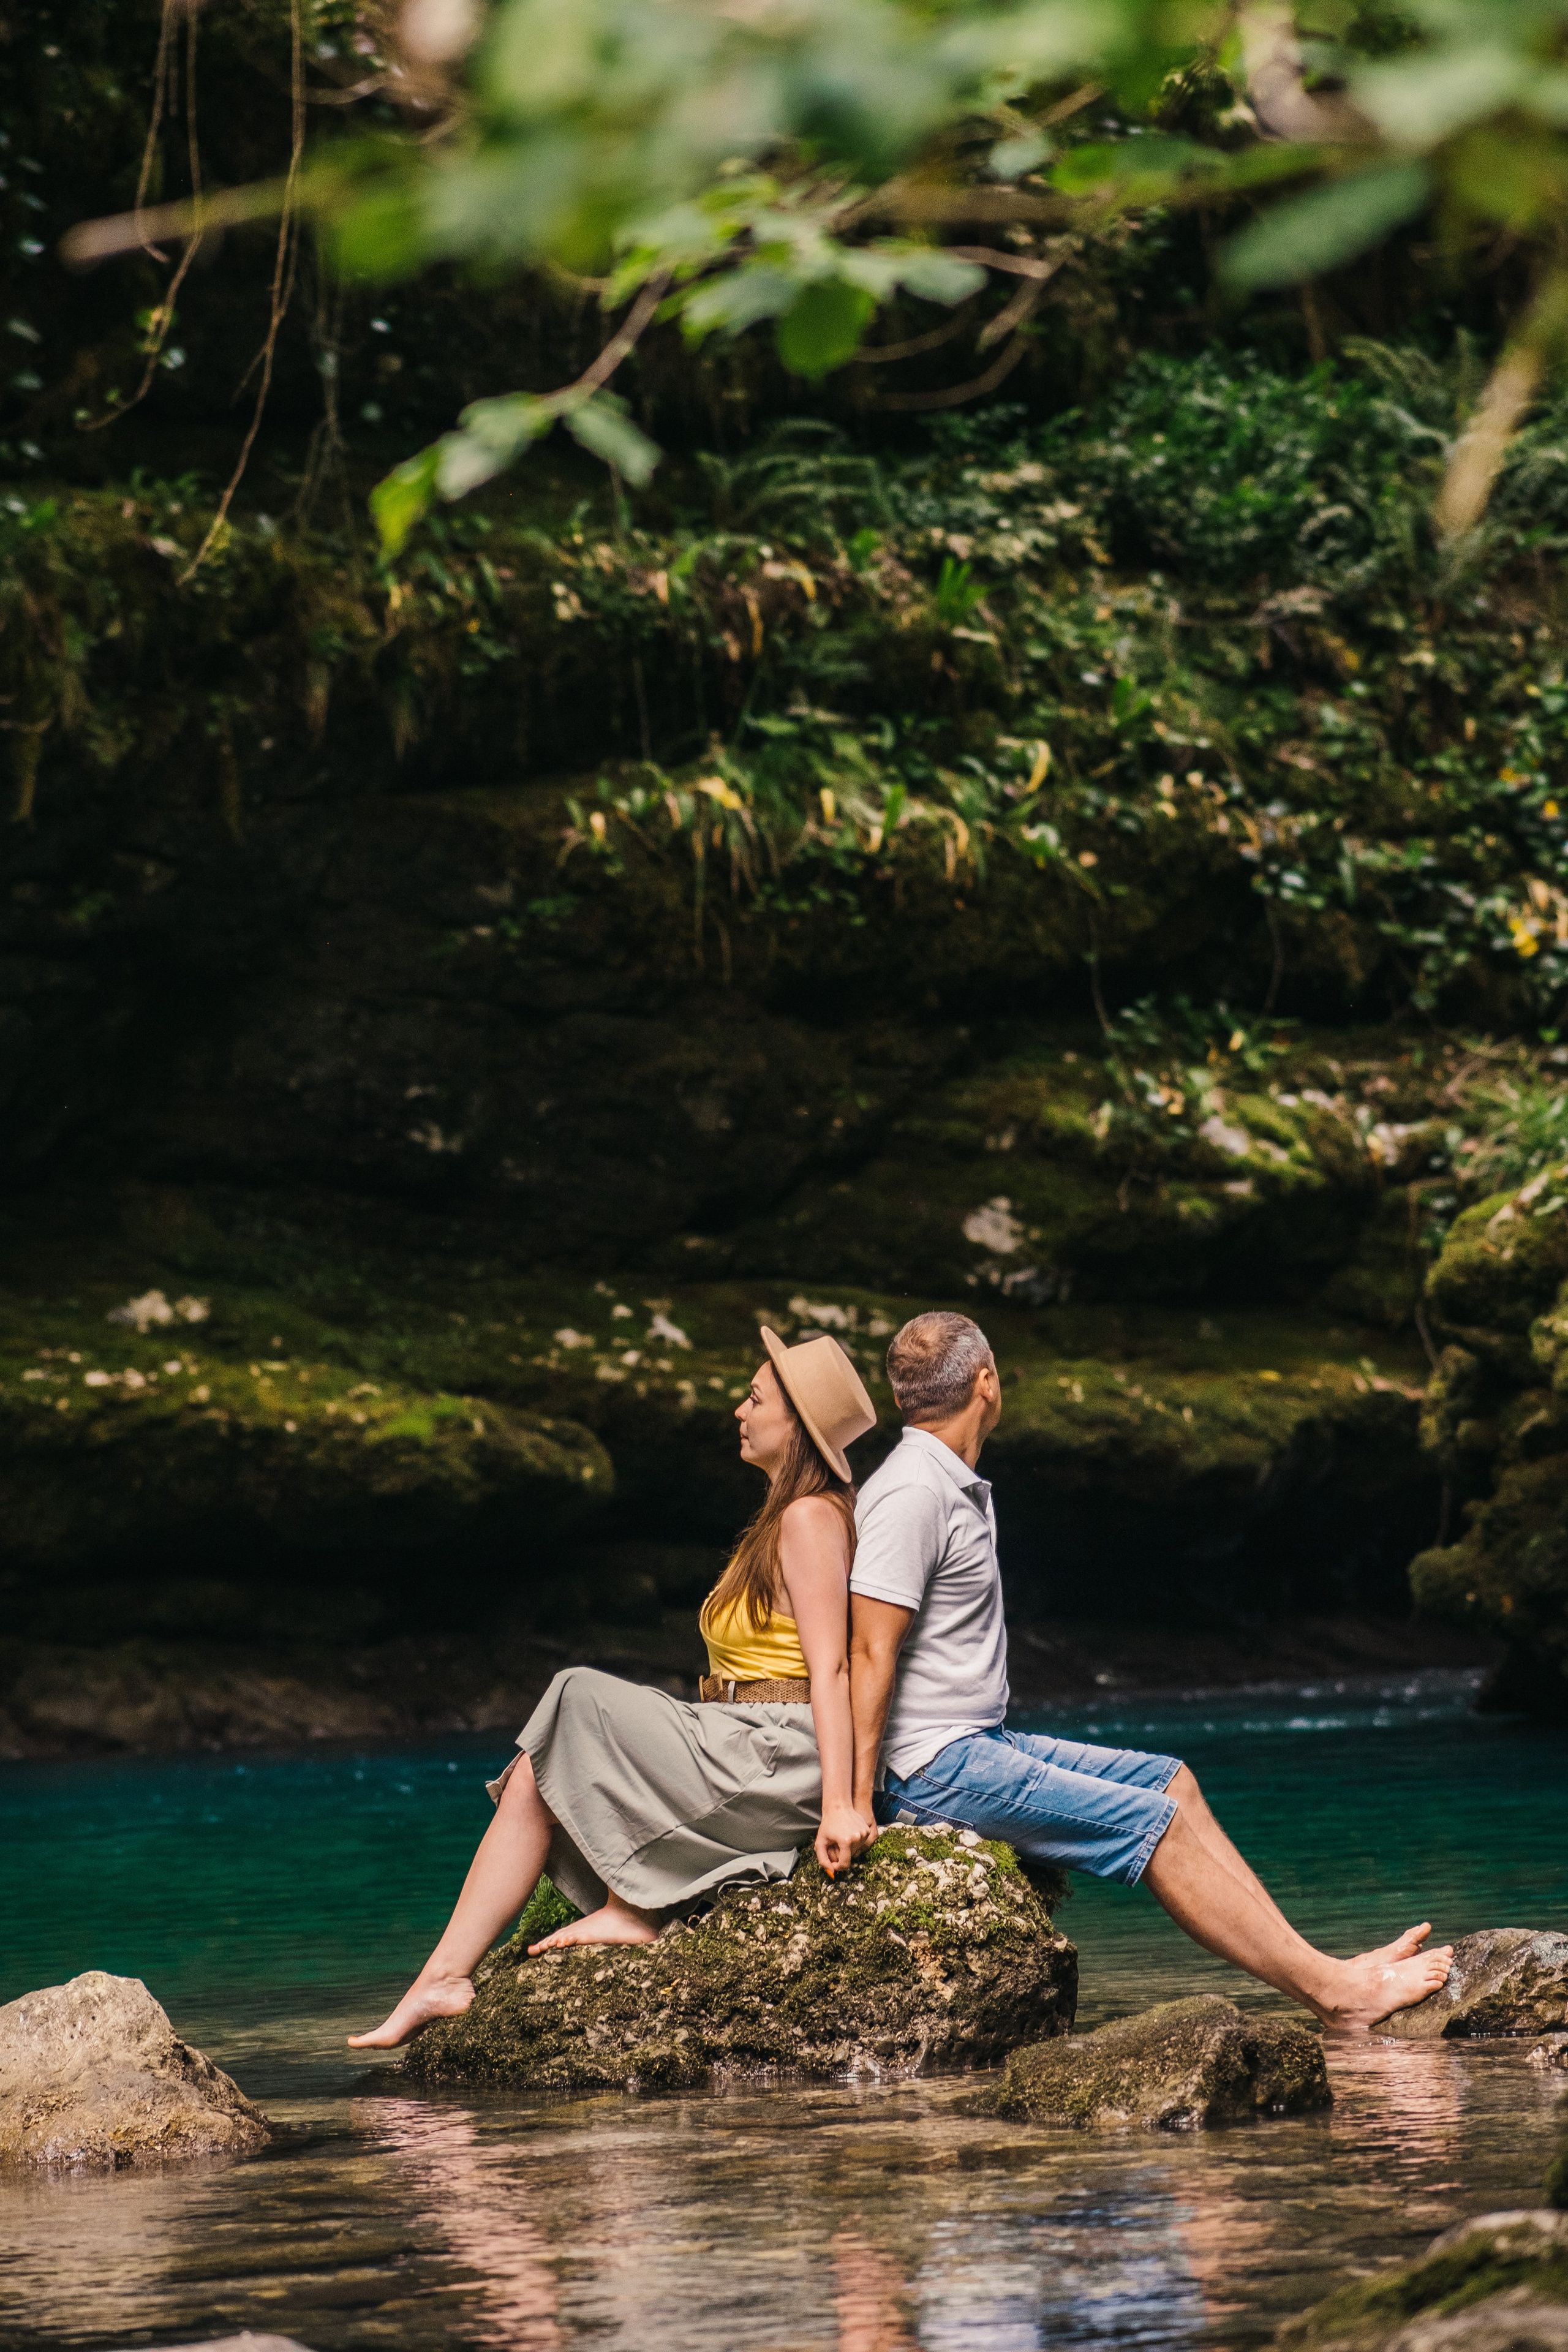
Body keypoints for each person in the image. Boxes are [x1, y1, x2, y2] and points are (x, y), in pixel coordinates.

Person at [847, 1309, 1455, 2034]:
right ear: (987, 1383)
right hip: (933, 1766)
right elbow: (867, 1652)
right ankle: (1335, 1994)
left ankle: (1321, 1967)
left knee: (1172, 1781)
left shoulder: (948, 1479)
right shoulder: (911, 1491)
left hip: (977, 1741)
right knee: (1152, 1825)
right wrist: (855, 1803)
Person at [349, 1327, 877, 2048]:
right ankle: (449, 1976)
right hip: (738, 1735)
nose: (738, 1410)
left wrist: (843, 1806)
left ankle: (626, 1908)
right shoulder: (782, 1519)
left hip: (777, 1752)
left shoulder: (811, 1517)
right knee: (540, 1770)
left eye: (754, 1398)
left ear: (796, 1425)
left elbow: (834, 1668)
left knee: (575, 1692)